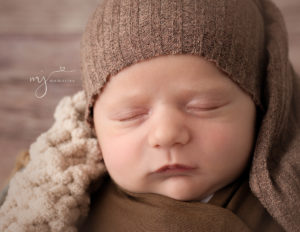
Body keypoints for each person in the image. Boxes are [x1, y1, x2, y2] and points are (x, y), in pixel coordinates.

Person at [0, 0, 299, 231]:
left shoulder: (286, 204)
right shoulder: (53, 208)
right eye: (131, 115)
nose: (166, 134)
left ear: (265, 106)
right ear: (94, 125)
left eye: (204, 106)